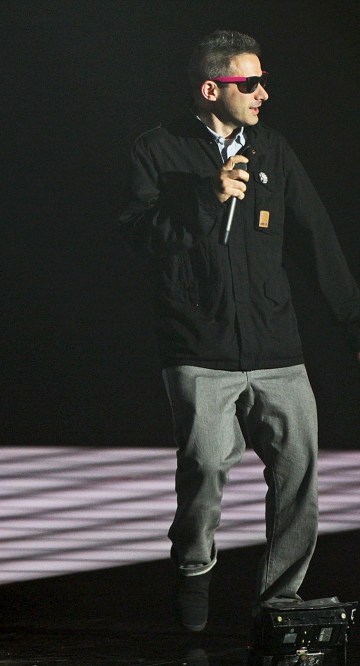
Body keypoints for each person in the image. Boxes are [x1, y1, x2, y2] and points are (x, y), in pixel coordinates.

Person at [118, 29, 360, 633]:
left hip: (278, 348)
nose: (262, 94)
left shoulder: (273, 150)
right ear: (211, 89)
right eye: (248, 83)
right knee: (203, 474)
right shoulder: (155, 149)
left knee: (299, 474)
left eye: (262, 81)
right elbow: (138, 239)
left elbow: (316, 237)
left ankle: (279, 600)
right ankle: (193, 576)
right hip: (200, 351)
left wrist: (352, 321)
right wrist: (205, 196)